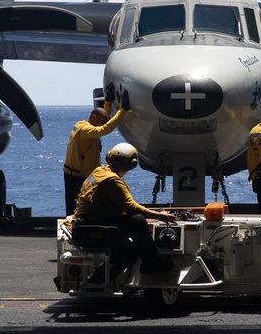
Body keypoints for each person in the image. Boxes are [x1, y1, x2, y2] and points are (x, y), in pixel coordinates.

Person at [73, 142, 176, 277]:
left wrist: (149, 215)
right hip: (94, 227)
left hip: (83, 226)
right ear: (132, 165)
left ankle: (96, 282)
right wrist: (160, 216)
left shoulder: (100, 171)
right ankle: (152, 263)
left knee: (128, 252)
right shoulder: (112, 181)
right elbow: (131, 207)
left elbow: (111, 207)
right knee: (137, 221)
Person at [63, 84, 128, 216]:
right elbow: (106, 129)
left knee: (90, 205)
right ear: (94, 118)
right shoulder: (85, 130)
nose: (104, 123)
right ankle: (73, 231)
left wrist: (108, 103)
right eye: (101, 121)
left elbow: (103, 121)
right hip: (76, 177)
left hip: (83, 175)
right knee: (75, 208)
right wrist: (123, 110)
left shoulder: (83, 124)